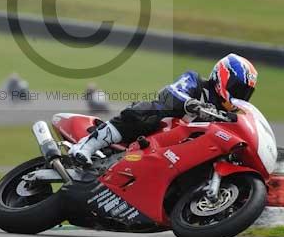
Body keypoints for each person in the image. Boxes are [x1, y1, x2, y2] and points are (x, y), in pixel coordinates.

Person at [69, 53, 258, 166]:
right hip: (156, 134)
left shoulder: (228, 116)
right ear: (222, 76)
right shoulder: (194, 81)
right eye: (237, 87)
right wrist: (191, 103)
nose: (240, 95)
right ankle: (87, 146)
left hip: (179, 153)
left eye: (245, 92)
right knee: (151, 110)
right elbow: (171, 92)